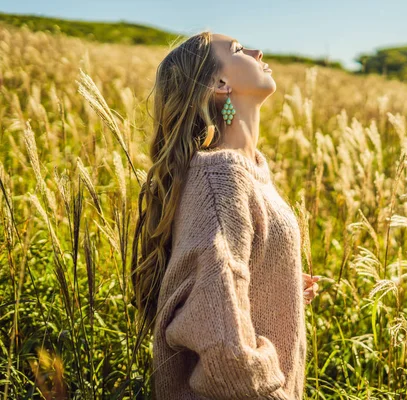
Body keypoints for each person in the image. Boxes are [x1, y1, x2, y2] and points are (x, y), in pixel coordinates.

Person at [130, 31, 321, 399]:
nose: (258, 50)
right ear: (220, 83)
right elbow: (220, 341)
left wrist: (280, 287)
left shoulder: (252, 170)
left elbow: (221, 286)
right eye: (237, 49)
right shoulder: (220, 176)